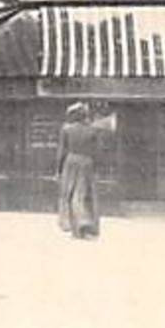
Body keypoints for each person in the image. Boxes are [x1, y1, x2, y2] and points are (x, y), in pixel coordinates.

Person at [57, 102, 101, 239]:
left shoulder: (66, 129)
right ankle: (88, 225)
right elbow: (97, 151)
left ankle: (76, 226)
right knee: (87, 194)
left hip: (71, 162)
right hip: (87, 162)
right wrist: (96, 167)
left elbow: (61, 151)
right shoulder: (93, 130)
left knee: (70, 194)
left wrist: (59, 169)